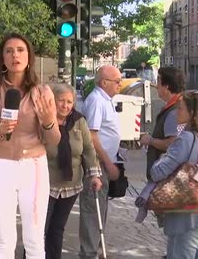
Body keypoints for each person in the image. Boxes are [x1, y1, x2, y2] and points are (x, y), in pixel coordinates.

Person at [0, 33, 61, 259]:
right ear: (2, 58)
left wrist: (49, 122)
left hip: (33, 168)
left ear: (29, 56)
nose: (15, 55)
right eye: (9, 51)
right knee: (4, 242)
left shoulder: (42, 92)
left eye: (20, 50)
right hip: (0, 167)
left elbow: (54, 140)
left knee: (33, 241)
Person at [149, 90, 198, 259]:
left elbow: (157, 173)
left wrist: (161, 159)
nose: (177, 112)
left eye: (180, 108)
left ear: (192, 113)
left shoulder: (186, 139)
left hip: (188, 217)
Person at [44, 83, 102, 259]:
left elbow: (88, 149)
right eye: (61, 100)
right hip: (46, 185)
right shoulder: (45, 121)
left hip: (71, 185)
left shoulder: (79, 121)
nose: (65, 105)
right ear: (52, 100)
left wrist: (95, 175)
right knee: (39, 229)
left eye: (69, 101)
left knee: (57, 228)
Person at [79, 65, 121, 259]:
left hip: (104, 162)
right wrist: (108, 163)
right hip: (96, 164)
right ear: (104, 82)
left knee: (99, 207)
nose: (120, 85)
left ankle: (94, 249)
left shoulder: (107, 100)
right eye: (117, 81)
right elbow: (92, 136)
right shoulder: (97, 100)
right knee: (92, 208)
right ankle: (88, 253)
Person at [140, 67, 185, 181]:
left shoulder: (174, 111)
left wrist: (150, 140)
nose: (156, 86)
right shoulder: (177, 106)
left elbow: (172, 143)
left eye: (158, 82)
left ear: (167, 86)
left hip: (165, 175)